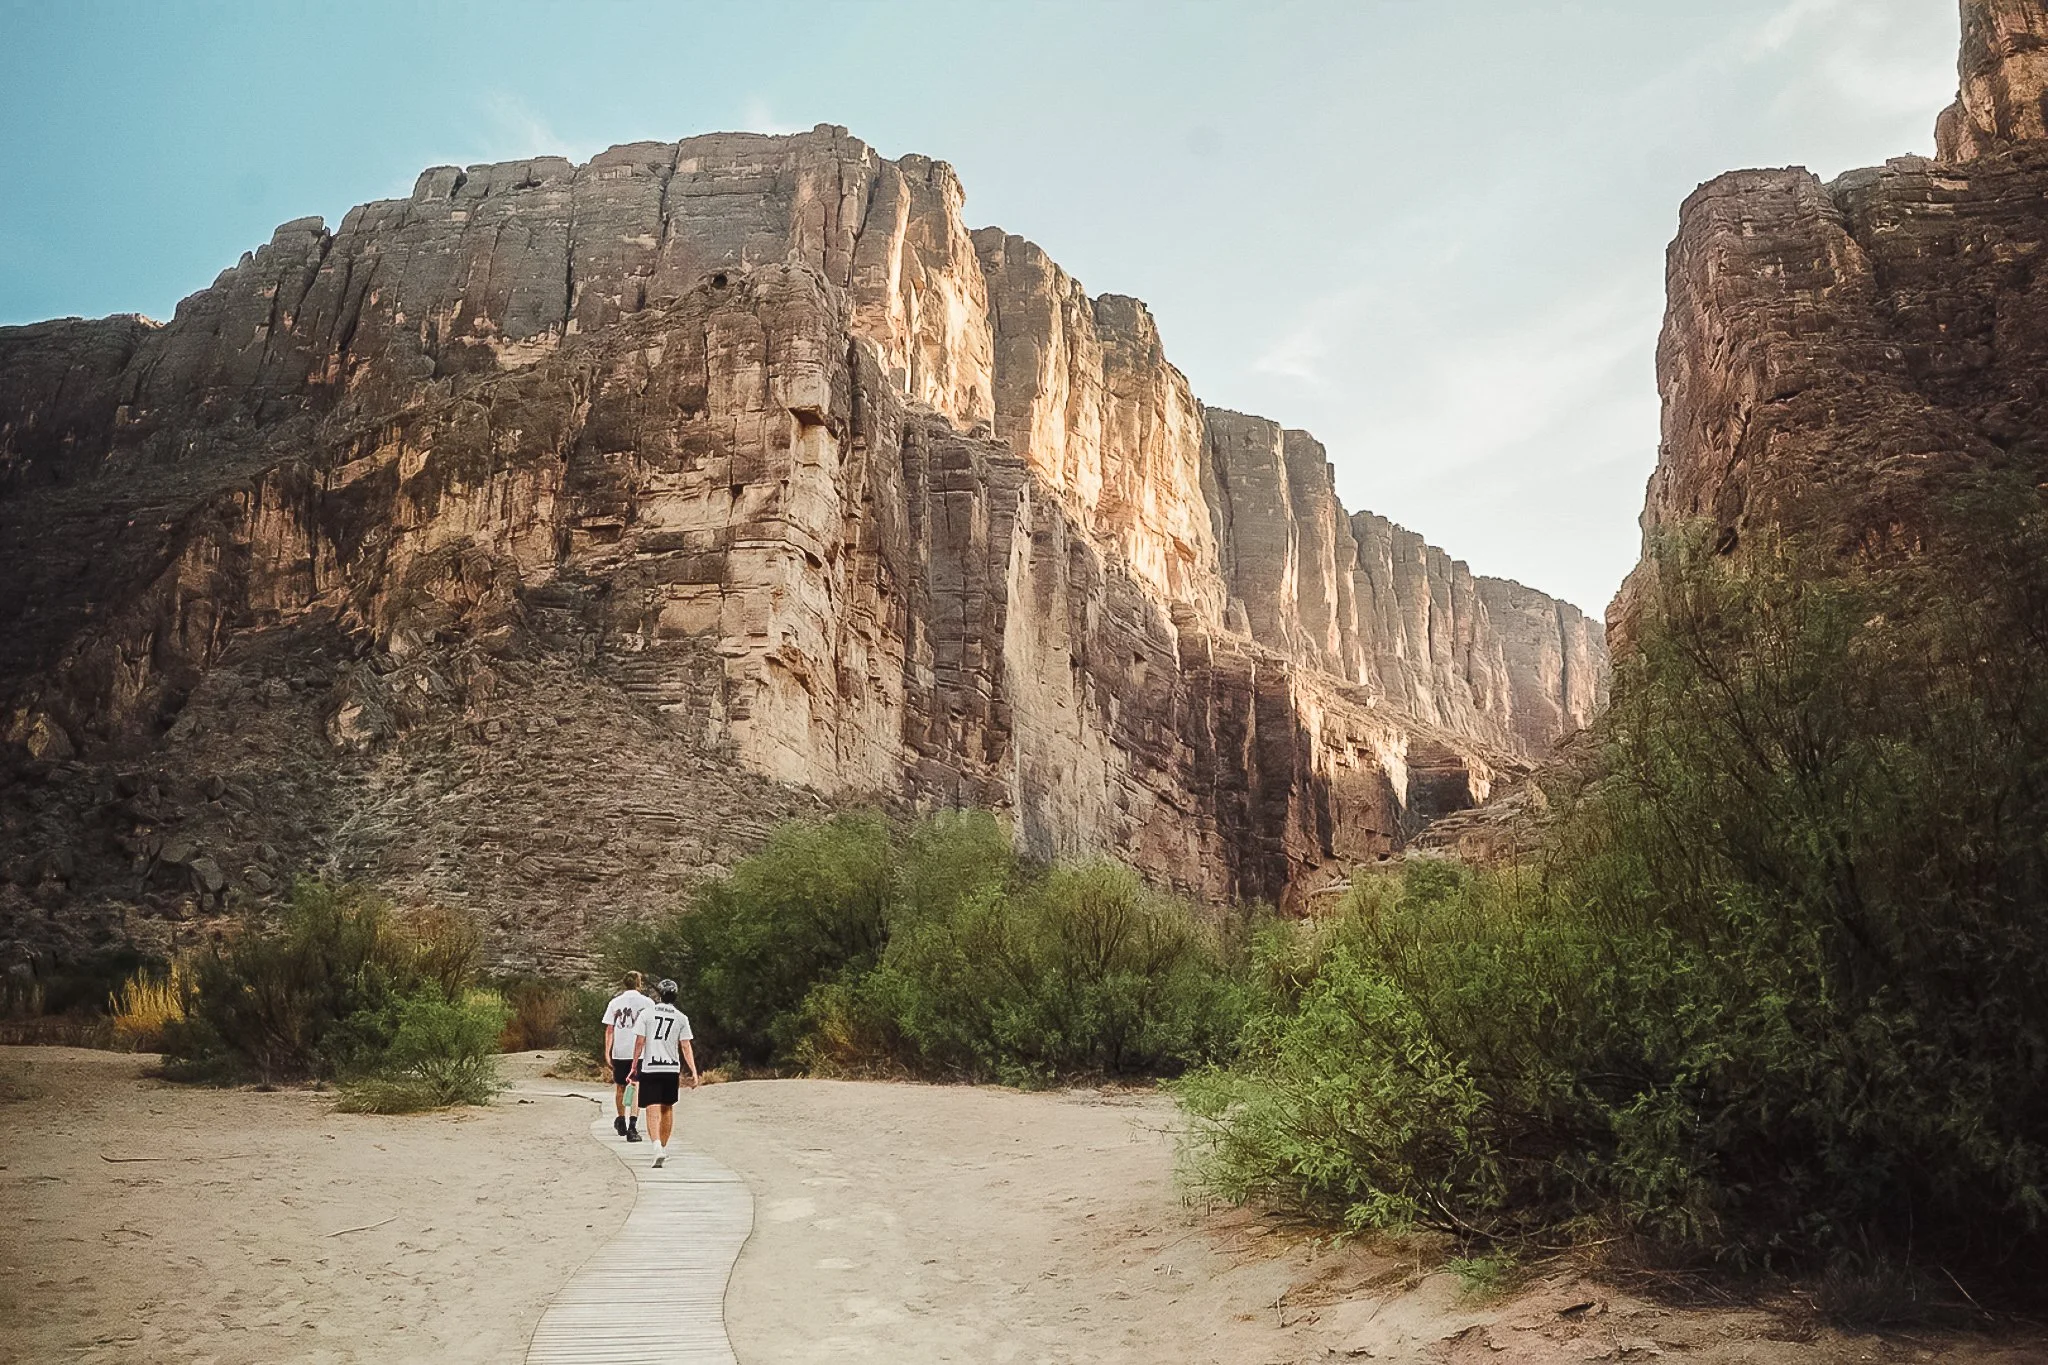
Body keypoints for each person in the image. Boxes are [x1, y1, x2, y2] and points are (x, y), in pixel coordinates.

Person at [629, 977, 699, 1169]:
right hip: (671, 1068)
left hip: (651, 1066)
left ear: (659, 994)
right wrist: (693, 1071)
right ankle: (664, 1147)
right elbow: (686, 1046)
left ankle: (657, 1146)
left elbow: (640, 1042)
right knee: (667, 1108)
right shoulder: (681, 1017)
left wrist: (634, 1065)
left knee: (652, 1108)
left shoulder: (647, 1014)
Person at [600, 971, 654, 1141]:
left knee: (621, 1086)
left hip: (620, 1050)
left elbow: (609, 1029)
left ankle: (621, 1118)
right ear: (639, 983)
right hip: (639, 1051)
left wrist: (607, 1051)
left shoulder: (615, 1003)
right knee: (636, 1086)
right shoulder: (647, 1003)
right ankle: (633, 1125)